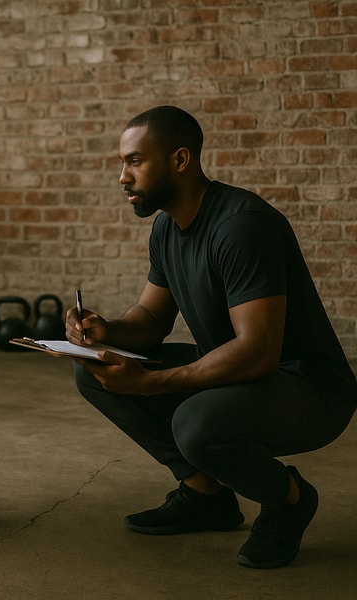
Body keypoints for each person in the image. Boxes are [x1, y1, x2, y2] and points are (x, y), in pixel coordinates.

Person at [66, 106, 356, 568]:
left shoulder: (240, 225)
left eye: (135, 161)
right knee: (95, 371)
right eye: (122, 163)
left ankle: (289, 500)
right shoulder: (166, 227)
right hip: (243, 374)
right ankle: (206, 495)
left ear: (180, 160)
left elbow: (258, 353)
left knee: (196, 423)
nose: (122, 177)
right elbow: (151, 318)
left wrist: (150, 382)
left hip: (308, 387)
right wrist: (107, 331)